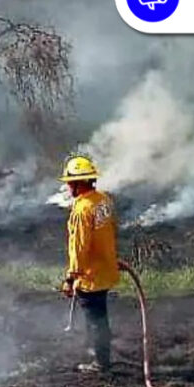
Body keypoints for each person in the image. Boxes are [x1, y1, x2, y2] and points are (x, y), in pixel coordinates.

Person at [59, 155, 120, 373]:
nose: (67, 186)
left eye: (69, 182)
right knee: (99, 315)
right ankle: (98, 351)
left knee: (96, 319)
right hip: (105, 268)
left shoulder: (82, 209)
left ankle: (101, 362)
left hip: (91, 274)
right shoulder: (103, 200)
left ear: (78, 183)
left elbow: (79, 247)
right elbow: (111, 230)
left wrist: (71, 277)